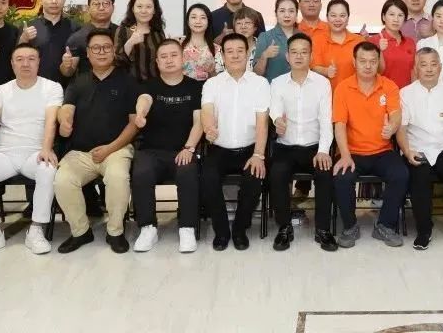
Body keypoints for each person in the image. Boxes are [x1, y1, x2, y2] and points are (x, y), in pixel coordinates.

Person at [0, 43, 62, 258]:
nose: (25, 63)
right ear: (12, 64)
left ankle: (36, 230)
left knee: (48, 171)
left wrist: (46, 148)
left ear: (38, 62)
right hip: (4, 153)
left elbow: (51, 121)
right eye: (19, 59)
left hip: (36, 151)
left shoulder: (52, 87)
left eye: (31, 59)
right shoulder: (0, 90)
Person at [54, 29, 139, 254]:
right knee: (62, 180)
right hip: (81, 152)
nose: (101, 52)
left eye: (106, 47)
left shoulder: (127, 81)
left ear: (114, 51)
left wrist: (110, 148)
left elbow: (134, 124)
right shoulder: (78, 81)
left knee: (118, 177)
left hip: (117, 149)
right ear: (88, 53)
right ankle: (81, 232)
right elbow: (66, 108)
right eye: (96, 48)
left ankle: (115, 232)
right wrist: (64, 121)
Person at [130, 38, 203, 254]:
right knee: (141, 172)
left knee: (187, 172)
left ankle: (187, 228)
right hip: (152, 151)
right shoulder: (149, 86)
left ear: (183, 58)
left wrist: (189, 148)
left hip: (183, 149)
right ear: (157, 62)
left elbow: (199, 121)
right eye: (163, 56)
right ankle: (148, 228)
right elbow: (144, 100)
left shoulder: (195, 87)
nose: (169, 60)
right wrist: (141, 114)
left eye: (173, 55)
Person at [267, 33, 339, 252]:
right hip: (286, 146)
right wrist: (277, 121)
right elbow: (275, 111)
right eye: (294, 52)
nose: (299, 56)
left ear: (311, 56)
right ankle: (284, 227)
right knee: (277, 174)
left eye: (304, 52)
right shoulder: (278, 83)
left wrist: (324, 150)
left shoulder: (322, 83)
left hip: (314, 147)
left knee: (325, 173)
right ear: (287, 56)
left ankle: (323, 229)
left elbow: (326, 121)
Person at [332, 42, 407, 248]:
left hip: (382, 151)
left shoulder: (389, 86)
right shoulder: (343, 88)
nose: (368, 66)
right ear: (354, 62)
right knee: (342, 177)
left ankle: (384, 225)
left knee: (400, 174)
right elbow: (339, 125)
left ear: (378, 62)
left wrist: (392, 127)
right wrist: (345, 155)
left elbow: (396, 115)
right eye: (363, 61)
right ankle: (350, 226)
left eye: (373, 61)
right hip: (352, 151)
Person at [200, 33, 269, 251]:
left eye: (240, 50)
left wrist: (258, 155)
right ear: (222, 55)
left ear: (248, 53)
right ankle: (221, 231)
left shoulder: (260, 83)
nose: (235, 55)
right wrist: (209, 128)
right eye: (230, 51)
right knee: (207, 177)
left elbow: (262, 122)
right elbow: (206, 111)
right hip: (219, 148)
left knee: (254, 177)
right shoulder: (212, 84)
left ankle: (240, 229)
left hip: (250, 149)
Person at [396, 48, 443, 250]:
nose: (429, 69)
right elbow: (401, 129)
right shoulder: (405, 93)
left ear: (440, 67)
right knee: (419, 177)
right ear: (416, 68)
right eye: (423, 64)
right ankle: (424, 231)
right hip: (417, 147)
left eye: (433, 64)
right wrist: (407, 151)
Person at [19, 0, 78, 85]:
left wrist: (67, 65)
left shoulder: (75, 28)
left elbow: (69, 72)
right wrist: (24, 38)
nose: (54, 1)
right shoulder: (28, 27)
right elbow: (17, 60)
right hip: (32, 87)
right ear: (41, 0)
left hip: (64, 88)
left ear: (64, 0)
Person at [310, 0, 365, 92]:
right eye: (333, 15)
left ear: (348, 18)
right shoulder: (317, 40)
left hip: (354, 94)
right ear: (327, 18)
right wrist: (326, 71)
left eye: (342, 16)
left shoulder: (359, 41)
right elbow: (313, 66)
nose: (338, 19)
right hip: (326, 94)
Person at [62, 0, 117, 78]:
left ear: (113, 7)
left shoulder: (121, 33)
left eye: (106, 4)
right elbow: (68, 73)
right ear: (88, 8)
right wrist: (66, 65)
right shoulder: (77, 37)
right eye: (96, 4)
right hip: (87, 85)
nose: (101, 8)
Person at [113, 0, 166, 82]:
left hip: (156, 84)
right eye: (139, 6)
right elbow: (117, 62)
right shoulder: (123, 30)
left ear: (154, 10)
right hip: (130, 85)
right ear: (133, 9)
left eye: (148, 7)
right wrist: (130, 43)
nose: (143, 11)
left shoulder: (158, 31)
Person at [370, 0, 417, 89]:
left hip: (406, 94)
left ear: (405, 19)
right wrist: (379, 51)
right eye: (392, 14)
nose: (396, 19)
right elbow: (371, 73)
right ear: (383, 17)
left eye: (400, 15)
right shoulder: (373, 41)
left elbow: (413, 71)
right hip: (383, 93)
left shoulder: (410, 42)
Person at [254, 0, 300, 81]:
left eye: (291, 11)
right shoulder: (265, 37)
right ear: (276, 14)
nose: (287, 15)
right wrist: (264, 56)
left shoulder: (303, 37)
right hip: (273, 87)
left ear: (297, 14)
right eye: (282, 11)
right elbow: (257, 73)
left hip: (298, 87)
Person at [215, 7, 261, 74]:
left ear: (255, 27)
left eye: (247, 23)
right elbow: (217, 75)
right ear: (234, 27)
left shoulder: (263, 46)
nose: (243, 26)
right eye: (239, 23)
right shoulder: (224, 48)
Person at [181, 3, 217, 82]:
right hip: (181, 88)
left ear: (208, 22)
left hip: (206, 88)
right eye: (194, 17)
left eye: (203, 18)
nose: (198, 21)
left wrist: (212, 72)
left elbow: (220, 79)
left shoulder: (217, 49)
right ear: (187, 21)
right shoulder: (178, 45)